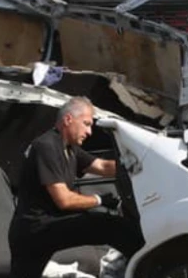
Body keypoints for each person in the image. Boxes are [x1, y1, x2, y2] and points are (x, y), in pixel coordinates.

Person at [8, 96, 143, 278]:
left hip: (45, 227)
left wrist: (140, 163)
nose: (89, 132)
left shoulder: (70, 149)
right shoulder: (46, 147)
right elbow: (64, 200)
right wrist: (100, 200)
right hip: (36, 231)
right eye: (86, 124)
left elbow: (103, 167)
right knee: (111, 227)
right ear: (68, 119)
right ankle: (152, 269)